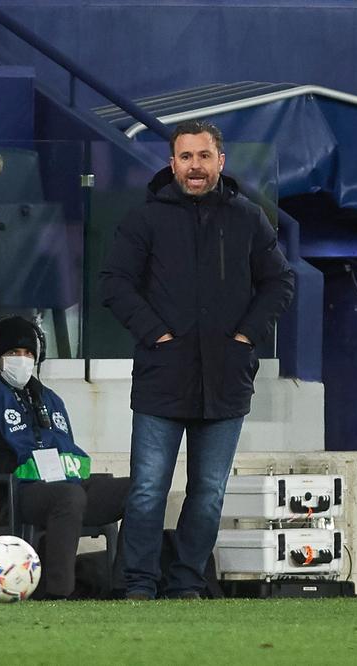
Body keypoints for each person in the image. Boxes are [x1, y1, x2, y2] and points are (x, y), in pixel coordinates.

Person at [99, 120, 295, 600]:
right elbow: (114, 283)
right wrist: (156, 333)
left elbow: (280, 282)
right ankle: (138, 585)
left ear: (220, 162)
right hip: (161, 378)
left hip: (227, 381)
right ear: (172, 163)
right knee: (147, 491)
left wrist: (247, 335)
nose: (194, 167)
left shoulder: (249, 218)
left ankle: (186, 584)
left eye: (203, 157)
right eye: (185, 157)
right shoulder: (144, 219)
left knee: (208, 494)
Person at [0, 315, 130, 600]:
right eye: (13, 353)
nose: (22, 359)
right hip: (13, 495)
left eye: (28, 353)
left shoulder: (50, 399)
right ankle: (58, 595)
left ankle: (125, 587)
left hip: (66, 487)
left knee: (140, 490)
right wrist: (13, 464)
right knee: (69, 497)